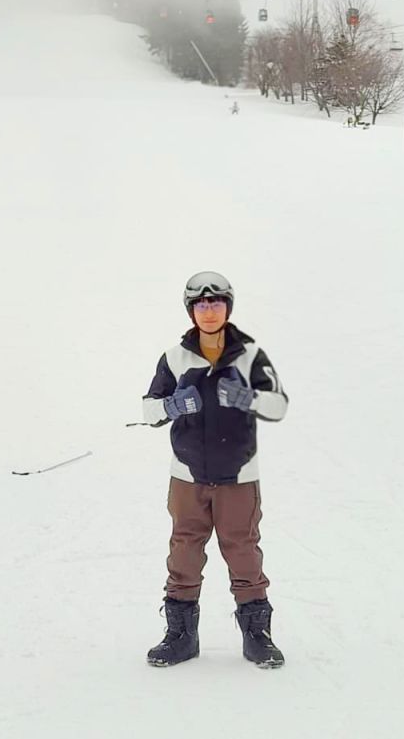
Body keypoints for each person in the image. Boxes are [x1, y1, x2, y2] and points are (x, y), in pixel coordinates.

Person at [140, 271, 289, 668]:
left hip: (238, 477)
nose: (209, 311)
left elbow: (277, 405)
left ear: (228, 307)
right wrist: (171, 406)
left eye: (216, 303)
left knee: (243, 552)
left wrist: (247, 398)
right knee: (184, 552)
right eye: (201, 304)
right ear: (191, 310)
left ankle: (257, 635)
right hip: (187, 476)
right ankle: (181, 635)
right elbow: (149, 409)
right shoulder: (174, 358)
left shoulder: (250, 356)